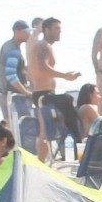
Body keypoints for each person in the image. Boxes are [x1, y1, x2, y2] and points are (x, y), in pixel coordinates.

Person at [29, 18, 83, 159]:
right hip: (43, 94)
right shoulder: (43, 46)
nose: (59, 31)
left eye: (60, 28)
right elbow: (42, 67)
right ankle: (77, 143)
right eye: (56, 28)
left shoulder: (43, 46)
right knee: (68, 101)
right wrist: (65, 76)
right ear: (46, 30)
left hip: (43, 94)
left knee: (44, 132)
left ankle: (42, 161)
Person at [0, 20, 32, 122]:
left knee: (10, 122)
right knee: (20, 123)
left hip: (3, 91)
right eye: (26, 32)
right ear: (17, 32)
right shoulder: (13, 50)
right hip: (9, 93)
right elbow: (11, 75)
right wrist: (26, 92)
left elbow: (14, 68)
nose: (29, 34)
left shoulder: (10, 45)